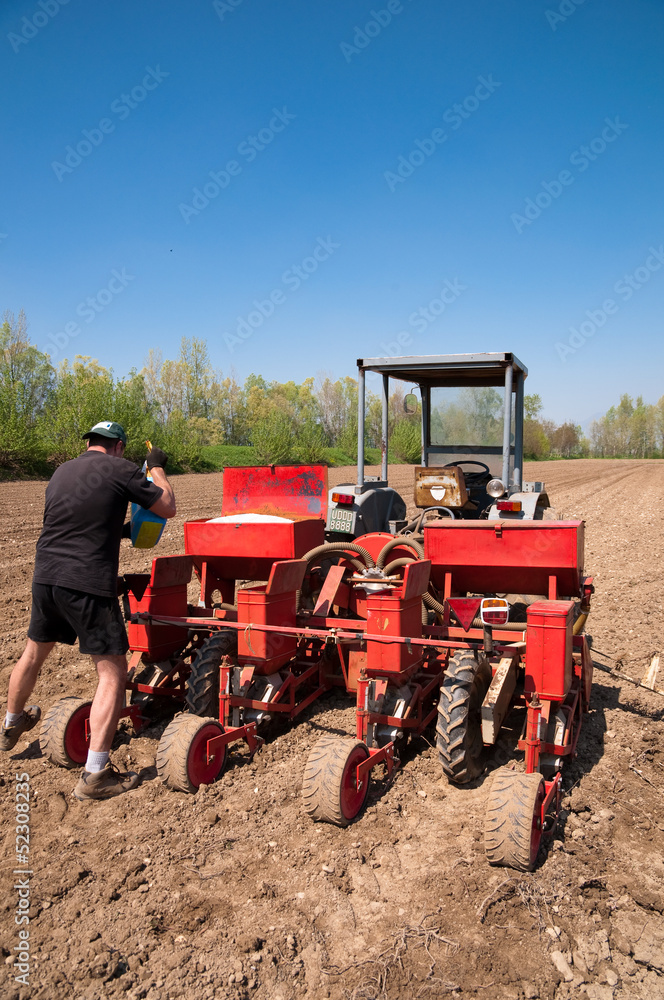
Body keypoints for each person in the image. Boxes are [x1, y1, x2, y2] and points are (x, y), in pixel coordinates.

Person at [0, 420, 176, 800]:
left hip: (46, 578)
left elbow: (73, 522)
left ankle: (11, 724)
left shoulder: (62, 471)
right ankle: (97, 773)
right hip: (87, 583)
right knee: (112, 671)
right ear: (118, 446)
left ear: (91, 443)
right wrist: (156, 465)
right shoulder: (122, 468)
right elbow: (167, 506)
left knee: (33, 653)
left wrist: (119, 531)